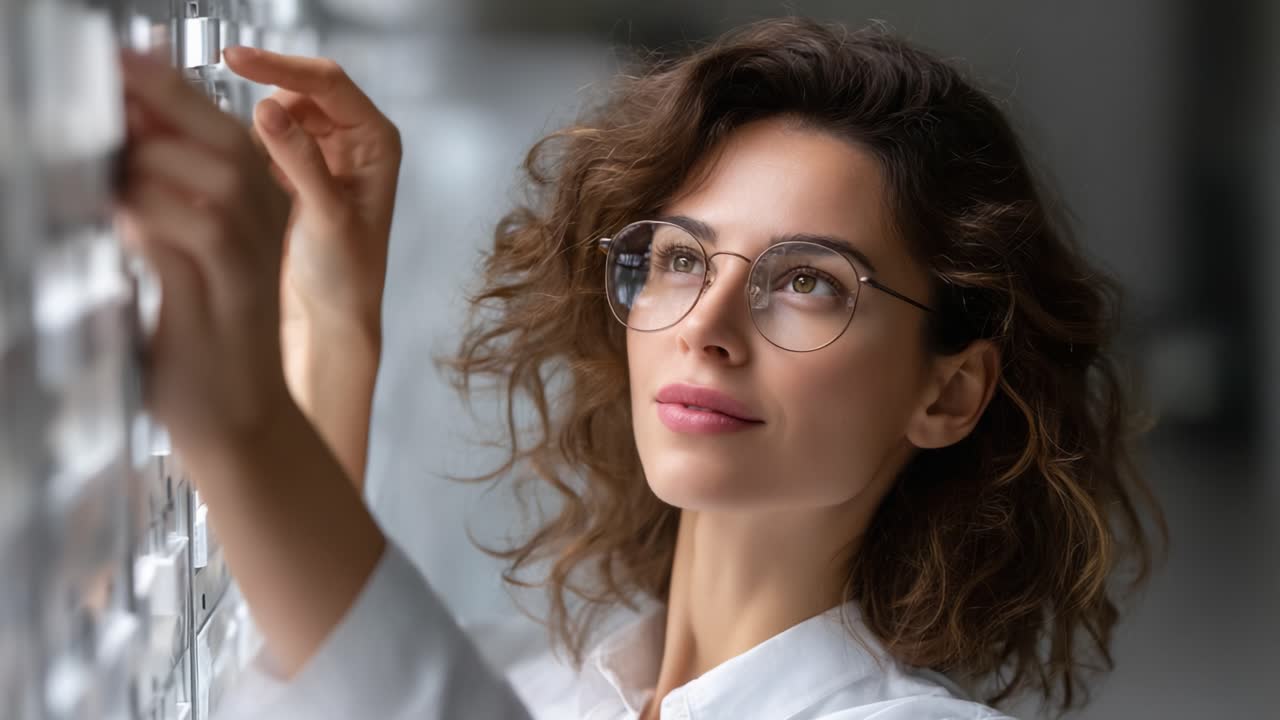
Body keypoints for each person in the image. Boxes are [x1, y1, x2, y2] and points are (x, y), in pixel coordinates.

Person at [114, 17, 1166, 720]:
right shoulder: (539, 679)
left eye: (807, 283)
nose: (706, 324)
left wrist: (240, 414)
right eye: (675, 260)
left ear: (947, 392)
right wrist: (334, 313)